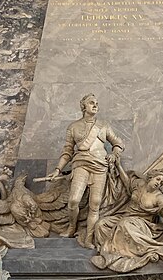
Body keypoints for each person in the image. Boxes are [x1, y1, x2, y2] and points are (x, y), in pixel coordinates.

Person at [48, 94, 124, 248]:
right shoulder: (73, 127)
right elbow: (68, 150)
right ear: (83, 106)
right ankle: (71, 227)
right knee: (74, 200)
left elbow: (118, 143)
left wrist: (114, 154)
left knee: (95, 204)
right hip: (81, 164)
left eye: (96, 103)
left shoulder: (103, 126)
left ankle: (89, 238)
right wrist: (57, 169)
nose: (95, 105)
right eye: (91, 103)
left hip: (100, 166)